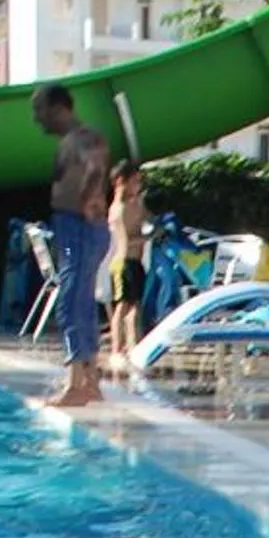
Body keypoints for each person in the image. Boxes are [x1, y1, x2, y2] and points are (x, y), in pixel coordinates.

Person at [32, 84, 112, 409]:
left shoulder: (83, 137)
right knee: (82, 303)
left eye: (40, 110)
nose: (37, 119)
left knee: (70, 304)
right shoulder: (77, 139)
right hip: (77, 226)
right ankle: (90, 381)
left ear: (58, 108)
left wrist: (87, 200)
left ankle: (76, 385)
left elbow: (95, 167)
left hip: (80, 226)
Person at [105, 161, 149, 376]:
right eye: (135, 181)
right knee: (122, 307)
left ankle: (133, 348)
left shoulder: (136, 205)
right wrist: (146, 237)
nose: (138, 185)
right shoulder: (117, 210)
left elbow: (146, 220)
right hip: (123, 262)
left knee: (135, 307)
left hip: (135, 262)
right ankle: (116, 350)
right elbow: (124, 243)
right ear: (121, 182)